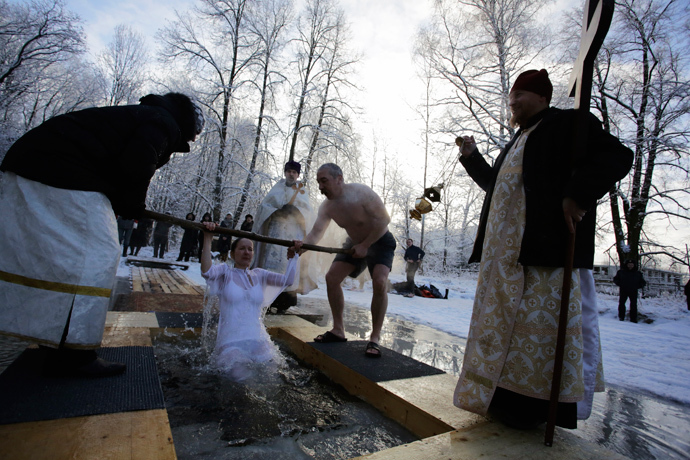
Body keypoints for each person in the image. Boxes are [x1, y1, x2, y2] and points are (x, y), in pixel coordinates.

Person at [453, 69, 633, 429]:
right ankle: (503, 401)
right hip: (503, 262)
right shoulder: (519, 140)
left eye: (520, 94)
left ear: (541, 97)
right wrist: (472, 157)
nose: (513, 101)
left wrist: (577, 195)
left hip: (541, 255)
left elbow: (618, 155)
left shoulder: (565, 124)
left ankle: (533, 411)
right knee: (508, 333)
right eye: (511, 95)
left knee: (535, 337)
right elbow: (496, 186)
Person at [0, 92, 204, 377]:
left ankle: (54, 339)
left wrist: (124, 200)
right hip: (61, 170)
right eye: (194, 136)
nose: (191, 142)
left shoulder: (144, 116)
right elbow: (138, 160)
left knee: (59, 256)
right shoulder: (163, 122)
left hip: (33, 164)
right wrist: (133, 204)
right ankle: (74, 354)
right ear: (186, 124)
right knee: (98, 254)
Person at [299, 163, 395, 358]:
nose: (320, 187)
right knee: (332, 278)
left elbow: (384, 219)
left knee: (379, 281)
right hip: (354, 244)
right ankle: (338, 330)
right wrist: (301, 247)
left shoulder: (361, 193)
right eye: (318, 182)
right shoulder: (327, 207)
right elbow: (316, 232)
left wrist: (366, 245)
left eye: (324, 181)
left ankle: (375, 338)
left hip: (380, 241)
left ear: (339, 179)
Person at [200, 221, 301, 381]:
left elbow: (287, 280)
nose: (246, 252)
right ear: (233, 254)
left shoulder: (259, 274)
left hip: (258, 340)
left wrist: (293, 257)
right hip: (231, 343)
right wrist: (208, 238)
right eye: (242, 248)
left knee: (273, 377)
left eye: (250, 249)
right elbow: (207, 272)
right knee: (242, 379)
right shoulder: (224, 273)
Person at [253, 161, 318, 312]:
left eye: (294, 172)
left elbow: (309, 215)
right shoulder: (277, 189)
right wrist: (276, 211)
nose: (291, 174)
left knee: (290, 269)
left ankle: (284, 305)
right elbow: (264, 208)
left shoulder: (302, 191)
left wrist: (296, 212)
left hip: (292, 236)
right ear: (285, 172)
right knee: (272, 269)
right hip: (275, 237)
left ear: (298, 175)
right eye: (289, 171)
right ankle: (266, 303)